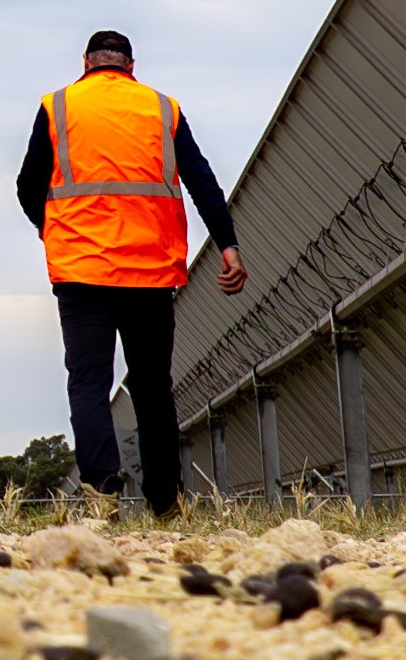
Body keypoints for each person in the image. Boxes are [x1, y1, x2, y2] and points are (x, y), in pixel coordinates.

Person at [17, 29, 243, 516]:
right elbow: (202, 180)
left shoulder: (58, 106)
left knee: (88, 384)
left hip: (80, 270)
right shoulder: (163, 109)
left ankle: (101, 492)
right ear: (131, 65)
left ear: (86, 63)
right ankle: (166, 502)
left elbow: (26, 184)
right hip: (151, 272)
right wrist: (228, 244)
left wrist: (50, 226)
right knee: (152, 386)